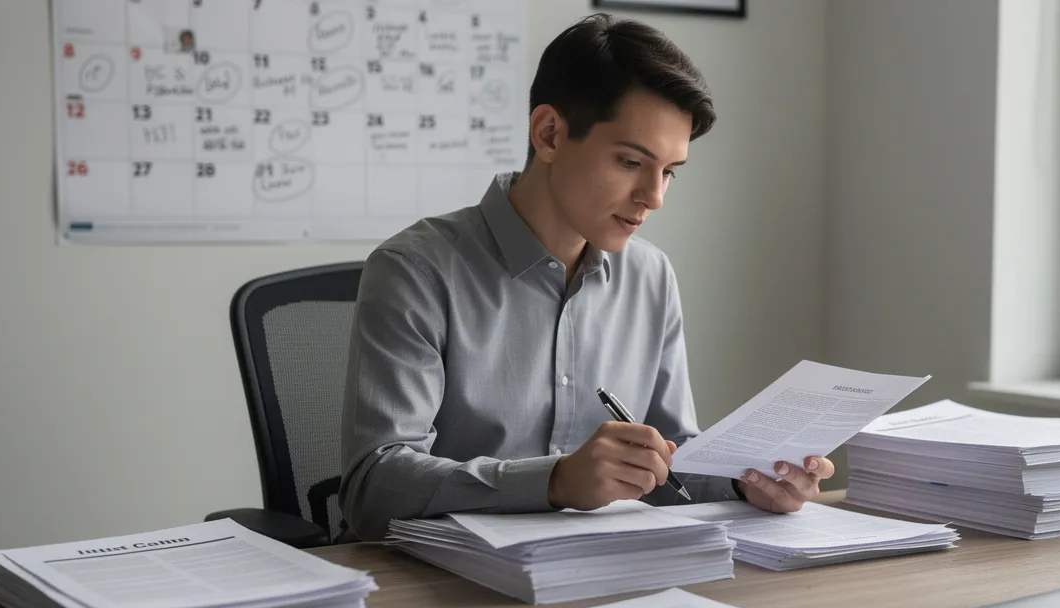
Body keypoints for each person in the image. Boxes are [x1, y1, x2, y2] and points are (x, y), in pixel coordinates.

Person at [338, 13, 834, 541]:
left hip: (596, 575)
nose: (655, 197)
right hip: (439, 589)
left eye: (668, 172)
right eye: (629, 162)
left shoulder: (651, 276)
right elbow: (373, 487)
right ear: (549, 134)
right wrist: (555, 481)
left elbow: (668, 463)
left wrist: (747, 480)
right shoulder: (416, 271)